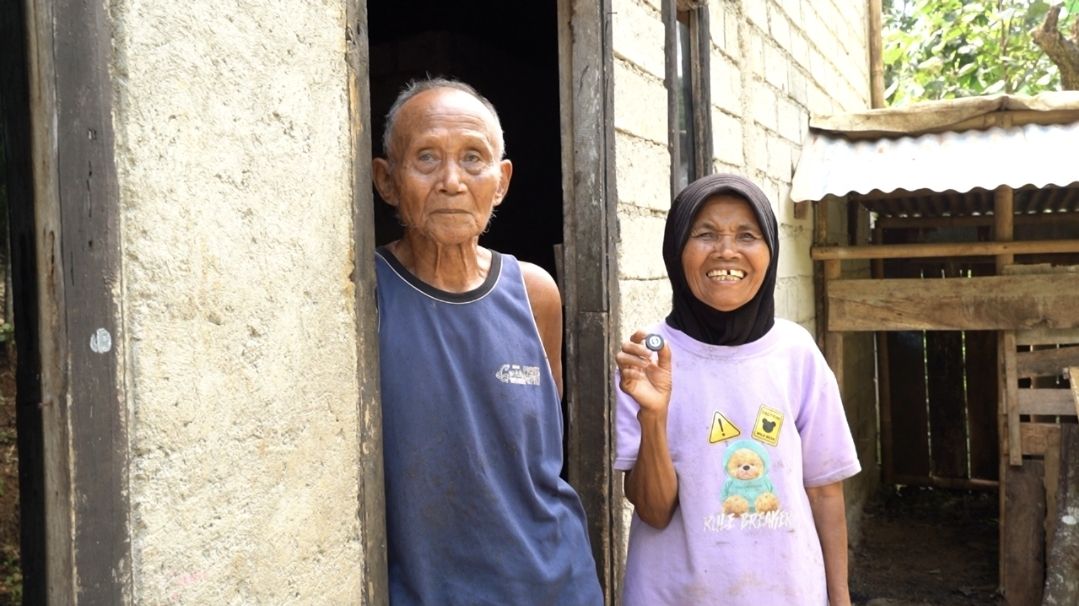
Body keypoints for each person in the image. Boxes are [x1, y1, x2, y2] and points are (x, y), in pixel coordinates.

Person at [371, 78, 603, 605]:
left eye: (473, 159)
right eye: (426, 158)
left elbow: (531, 452)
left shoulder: (535, 292)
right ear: (386, 180)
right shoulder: (368, 294)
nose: (452, 180)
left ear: (500, 182)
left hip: (555, 584)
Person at [613, 173, 861, 606]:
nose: (726, 251)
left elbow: (824, 490)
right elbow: (653, 511)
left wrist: (840, 600)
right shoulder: (649, 360)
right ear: (676, 251)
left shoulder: (795, 353)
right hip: (675, 595)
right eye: (705, 234)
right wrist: (653, 415)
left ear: (770, 252)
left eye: (747, 235)